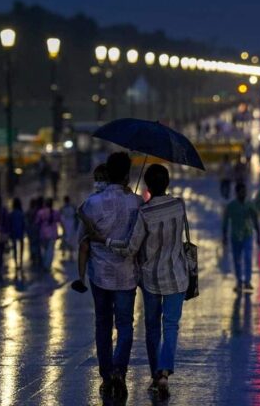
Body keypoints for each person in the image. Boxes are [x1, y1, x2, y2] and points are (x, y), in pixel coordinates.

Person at [104, 164, 191, 399]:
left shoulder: (144, 213)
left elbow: (131, 248)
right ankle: (164, 373)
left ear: (148, 186)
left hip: (151, 279)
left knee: (152, 328)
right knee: (171, 326)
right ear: (167, 183)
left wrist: (108, 242)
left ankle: (155, 374)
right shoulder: (179, 205)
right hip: (177, 276)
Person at [78, 152, 143, 398]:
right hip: (126, 275)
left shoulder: (92, 203)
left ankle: (106, 374)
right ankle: (119, 370)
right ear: (127, 175)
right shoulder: (137, 203)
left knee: (103, 324)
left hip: (99, 275)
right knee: (125, 325)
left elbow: (82, 238)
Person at [222, 183, 260, 292]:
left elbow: (255, 220)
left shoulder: (250, 205)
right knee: (237, 260)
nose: (243, 194)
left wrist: (259, 235)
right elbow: (225, 222)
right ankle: (239, 281)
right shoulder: (231, 206)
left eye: (244, 191)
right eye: (241, 192)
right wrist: (224, 236)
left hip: (247, 235)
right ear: (237, 193)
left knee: (248, 258)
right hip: (235, 236)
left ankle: (247, 281)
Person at [77, 164, 108, 289]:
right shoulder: (92, 198)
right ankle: (81, 279)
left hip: (104, 235)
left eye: (102, 179)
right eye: (97, 179)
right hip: (93, 234)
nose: (98, 183)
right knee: (84, 245)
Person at [35, 198, 62, 271]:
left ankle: (45, 264)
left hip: (43, 233)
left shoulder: (40, 212)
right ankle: (47, 265)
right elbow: (59, 221)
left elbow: (37, 222)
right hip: (53, 233)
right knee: (50, 250)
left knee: (44, 250)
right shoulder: (56, 212)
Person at [59, 196, 79, 262]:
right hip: (71, 224)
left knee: (65, 239)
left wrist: (62, 225)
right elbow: (77, 217)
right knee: (71, 240)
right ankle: (71, 254)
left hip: (66, 225)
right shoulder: (73, 207)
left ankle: (64, 253)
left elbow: (60, 217)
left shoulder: (63, 208)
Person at [9, 198, 26, 271]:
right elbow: (24, 223)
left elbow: (9, 224)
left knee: (14, 248)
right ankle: (21, 262)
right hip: (20, 232)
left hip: (13, 232)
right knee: (21, 248)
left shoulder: (11, 214)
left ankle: (16, 263)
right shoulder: (21, 213)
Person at [26, 198, 43, 268]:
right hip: (36, 229)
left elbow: (26, 221)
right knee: (37, 244)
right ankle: (37, 257)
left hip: (30, 230)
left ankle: (33, 256)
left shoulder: (28, 212)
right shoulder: (37, 211)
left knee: (32, 244)